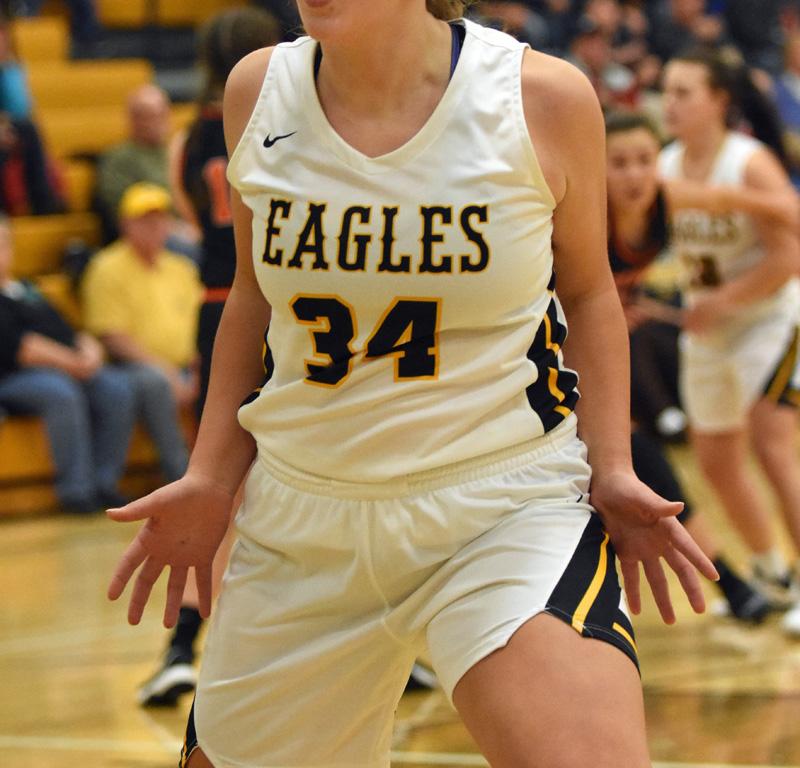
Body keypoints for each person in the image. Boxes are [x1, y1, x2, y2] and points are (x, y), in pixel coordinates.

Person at [107, 3, 718, 767]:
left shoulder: (540, 97)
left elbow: (590, 291)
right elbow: (253, 295)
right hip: (303, 519)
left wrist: (614, 465)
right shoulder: (257, 90)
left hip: (499, 504)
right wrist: (210, 476)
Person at [134, 6, 282, 709]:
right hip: (273, 306)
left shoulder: (186, 140)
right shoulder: (288, 120)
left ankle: (179, 649)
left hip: (215, 307)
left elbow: (196, 221)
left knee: (217, 474)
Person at [605, 110, 796, 622]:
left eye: (644, 160)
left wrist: (759, 201)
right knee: (630, 455)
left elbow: (765, 209)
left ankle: (740, 582)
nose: (634, 174)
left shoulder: (666, 197)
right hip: (546, 343)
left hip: (760, 323)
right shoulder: (585, 214)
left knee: (634, 450)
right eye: (618, 163)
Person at [660, 49, 800, 624]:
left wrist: (727, 300)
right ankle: (774, 574)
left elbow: (789, 255)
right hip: (708, 327)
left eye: (683, 92)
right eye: (666, 91)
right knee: (715, 461)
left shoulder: (747, 162)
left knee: (772, 446)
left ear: (719, 100)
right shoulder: (664, 164)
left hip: (771, 320)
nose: (669, 103)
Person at [0, 216, 134, 513]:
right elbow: (22, 348)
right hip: (14, 377)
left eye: (4, 244)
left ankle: (105, 482)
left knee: (115, 388)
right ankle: (76, 491)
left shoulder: (27, 288)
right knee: (60, 392)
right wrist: (73, 363)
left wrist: (89, 349)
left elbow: (68, 328)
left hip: (65, 365)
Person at [82, 182, 202, 488]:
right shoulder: (106, 267)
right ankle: (180, 475)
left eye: (160, 220)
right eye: (145, 220)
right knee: (154, 382)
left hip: (186, 364)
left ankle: (224, 473)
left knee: (227, 376)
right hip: (129, 366)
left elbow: (203, 325)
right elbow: (112, 336)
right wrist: (168, 371)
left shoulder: (182, 268)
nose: (154, 227)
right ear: (126, 224)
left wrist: (200, 365)